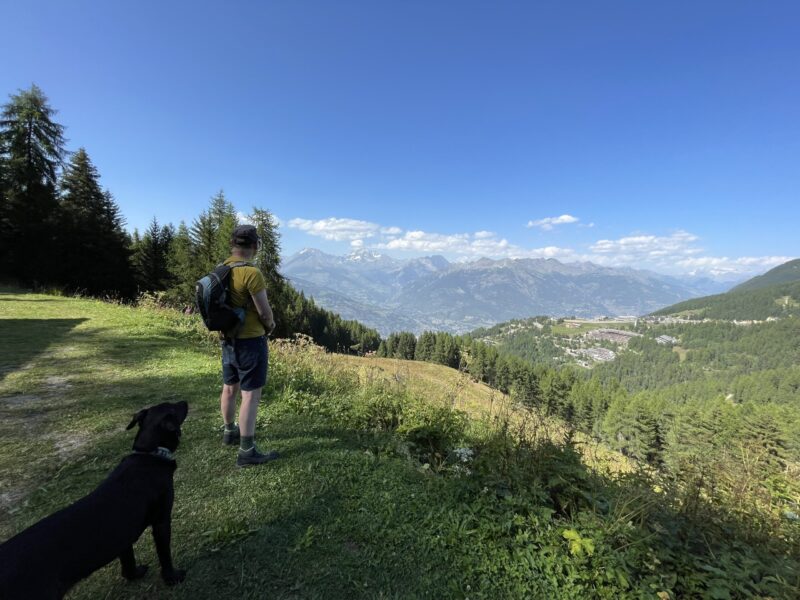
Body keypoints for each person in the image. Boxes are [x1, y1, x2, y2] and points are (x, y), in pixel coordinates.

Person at [218, 224, 279, 467]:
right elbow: (264, 311)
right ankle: (247, 451)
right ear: (255, 246)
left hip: (227, 340)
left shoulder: (222, 269)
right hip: (251, 341)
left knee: (229, 388)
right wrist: (271, 325)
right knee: (250, 395)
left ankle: (229, 432)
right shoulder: (251, 274)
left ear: (233, 245)